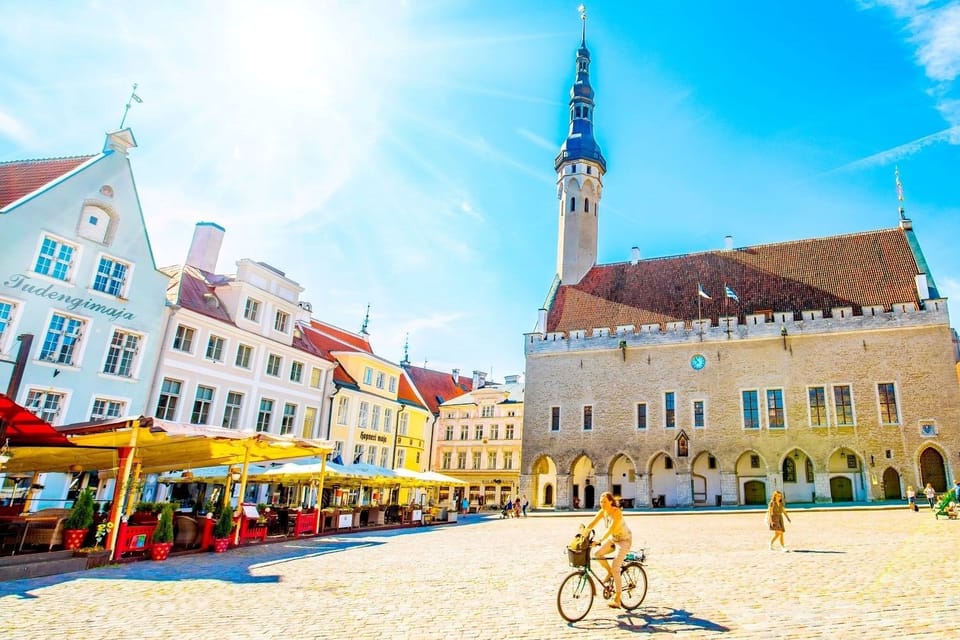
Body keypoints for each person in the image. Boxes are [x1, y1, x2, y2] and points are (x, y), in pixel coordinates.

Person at [584, 491, 632, 609]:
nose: (602, 504)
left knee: (616, 567)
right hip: (613, 539)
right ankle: (609, 572)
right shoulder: (603, 512)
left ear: (611, 502)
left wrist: (599, 540)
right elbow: (592, 523)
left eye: (604, 502)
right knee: (597, 553)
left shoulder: (617, 513)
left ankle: (617, 599)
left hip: (624, 540)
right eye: (601, 502)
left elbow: (611, 529)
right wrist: (581, 534)